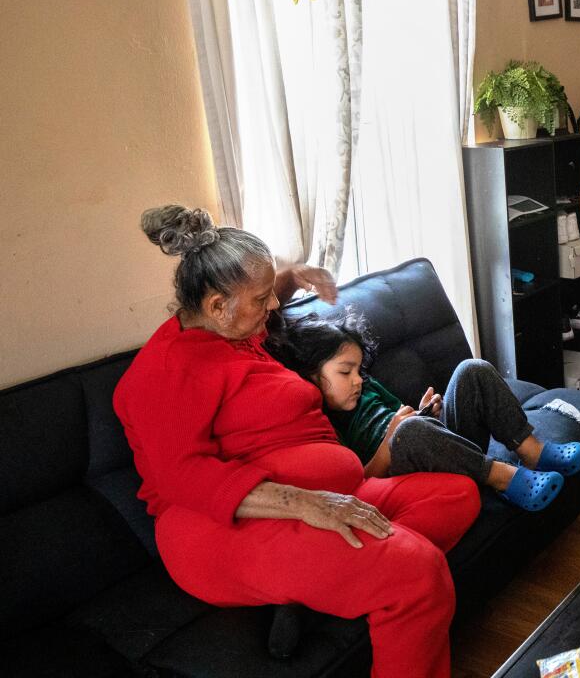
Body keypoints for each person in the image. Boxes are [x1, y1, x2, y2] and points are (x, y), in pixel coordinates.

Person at [113, 205, 479, 678]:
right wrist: (308, 504)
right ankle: (361, 579)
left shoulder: (233, 329)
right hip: (221, 529)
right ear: (216, 305)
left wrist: (290, 278)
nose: (273, 307)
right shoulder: (166, 372)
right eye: (263, 297)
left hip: (327, 493)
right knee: (418, 573)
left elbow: (259, 302)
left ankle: (314, 589)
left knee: (456, 493)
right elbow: (184, 478)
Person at [265, 312, 580, 512]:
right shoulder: (323, 423)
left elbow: (406, 418)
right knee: (408, 433)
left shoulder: (367, 387)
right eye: (345, 372)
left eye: (359, 371)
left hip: (438, 447)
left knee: (471, 369)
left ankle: (531, 451)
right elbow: (359, 481)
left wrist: (426, 414)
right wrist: (391, 440)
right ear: (309, 376)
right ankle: (503, 479)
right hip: (403, 473)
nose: (357, 381)